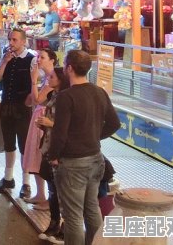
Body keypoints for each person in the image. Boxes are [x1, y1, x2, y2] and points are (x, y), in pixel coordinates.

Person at [47, 50, 120, 245]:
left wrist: (52, 155)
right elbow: (114, 124)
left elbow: (60, 133)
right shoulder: (99, 92)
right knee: (92, 210)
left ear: (69, 68)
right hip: (96, 160)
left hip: (72, 164)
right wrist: (94, 136)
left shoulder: (66, 97)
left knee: (73, 217)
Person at [0, 28, 35, 197]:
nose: (11, 42)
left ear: (24, 41)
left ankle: (26, 182)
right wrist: (4, 62)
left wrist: (29, 101)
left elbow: (34, 84)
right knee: (8, 143)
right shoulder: (6, 56)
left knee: (24, 145)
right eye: (10, 39)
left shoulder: (31, 60)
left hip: (22, 109)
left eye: (15, 40)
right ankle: (8, 178)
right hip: (6, 106)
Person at [22, 48, 59, 210]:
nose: (38, 59)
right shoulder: (46, 78)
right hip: (39, 118)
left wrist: (33, 80)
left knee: (41, 155)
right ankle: (40, 194)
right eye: (38, 56)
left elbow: (37, 99)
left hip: (44, 121)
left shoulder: (53, 79)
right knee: (36, 157)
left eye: (42, 57)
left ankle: (47, 199)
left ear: (52, 60)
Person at [35, 66, 68, 242]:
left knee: (61, 192)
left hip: (59, 150)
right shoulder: (53, 96)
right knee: (52, 189)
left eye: (52, 76)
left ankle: (63, 229)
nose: (49, 78)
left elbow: (67, 127)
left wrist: (50, 123)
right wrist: (44, 124)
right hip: (47, 147)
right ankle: (54, 224)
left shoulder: (65, 98)